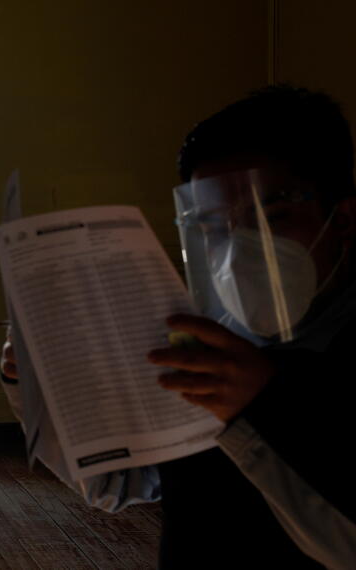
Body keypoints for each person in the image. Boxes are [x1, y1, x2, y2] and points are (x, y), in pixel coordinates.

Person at [145, 85, 356, 568]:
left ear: (343, 219)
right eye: (214, 226)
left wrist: (261, 405)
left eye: (273, 216)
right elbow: (137, 484)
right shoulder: (208, 342)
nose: (240, 248)